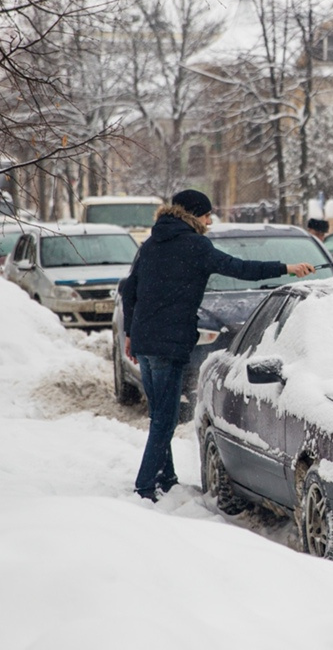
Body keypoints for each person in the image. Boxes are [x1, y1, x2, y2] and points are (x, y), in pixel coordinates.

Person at [119, 189, 316, 501]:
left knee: (159, 416)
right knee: (165, 419)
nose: (210, 221)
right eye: (206, 214)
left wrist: (130, 333)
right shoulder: (195, 245)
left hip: (145, 340)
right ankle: (145, 487)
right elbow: (239, 268)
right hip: (169, 343)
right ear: (193, 213)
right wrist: (286, 268)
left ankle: (165, 478)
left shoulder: (151, 244)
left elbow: (128, 289)